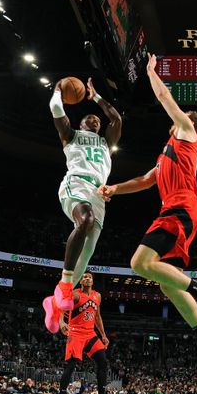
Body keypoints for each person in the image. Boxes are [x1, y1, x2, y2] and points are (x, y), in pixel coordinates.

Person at [99, 53, 197, 381]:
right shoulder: (166, 153)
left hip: (181, 208)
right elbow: (145, 180)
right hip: (179, 210)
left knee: (138, 263)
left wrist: (150, 71)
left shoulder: (187, 132)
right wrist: (114, 189)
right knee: (167, 283)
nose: (175, 116)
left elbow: (163, 96)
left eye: (180, 114)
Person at [43, 78, 122, 333]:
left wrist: (97, 97)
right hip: (76, 184)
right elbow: (57, 110)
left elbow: (116, 120)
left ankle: (54, 305)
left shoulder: (106, 143)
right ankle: (65, 285)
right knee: (84, 221)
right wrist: (58, 89)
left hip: (99, 193)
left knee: (85, 257)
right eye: (90, 118)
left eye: (97, 119)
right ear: (81, 123)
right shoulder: (71, 135)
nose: (96, 120)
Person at [52, 272, 114, 394]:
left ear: (92, 281)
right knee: (71, 365)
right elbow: (62, 308)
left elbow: (97, 316)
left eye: (90, 277)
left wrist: (103, 335)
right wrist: (62, 322)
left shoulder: (97, 296)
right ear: (81, 280)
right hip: (75, 333)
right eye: (84, 276)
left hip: (90, 333)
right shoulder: (75, 294)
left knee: (103, 362)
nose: (87, 278)